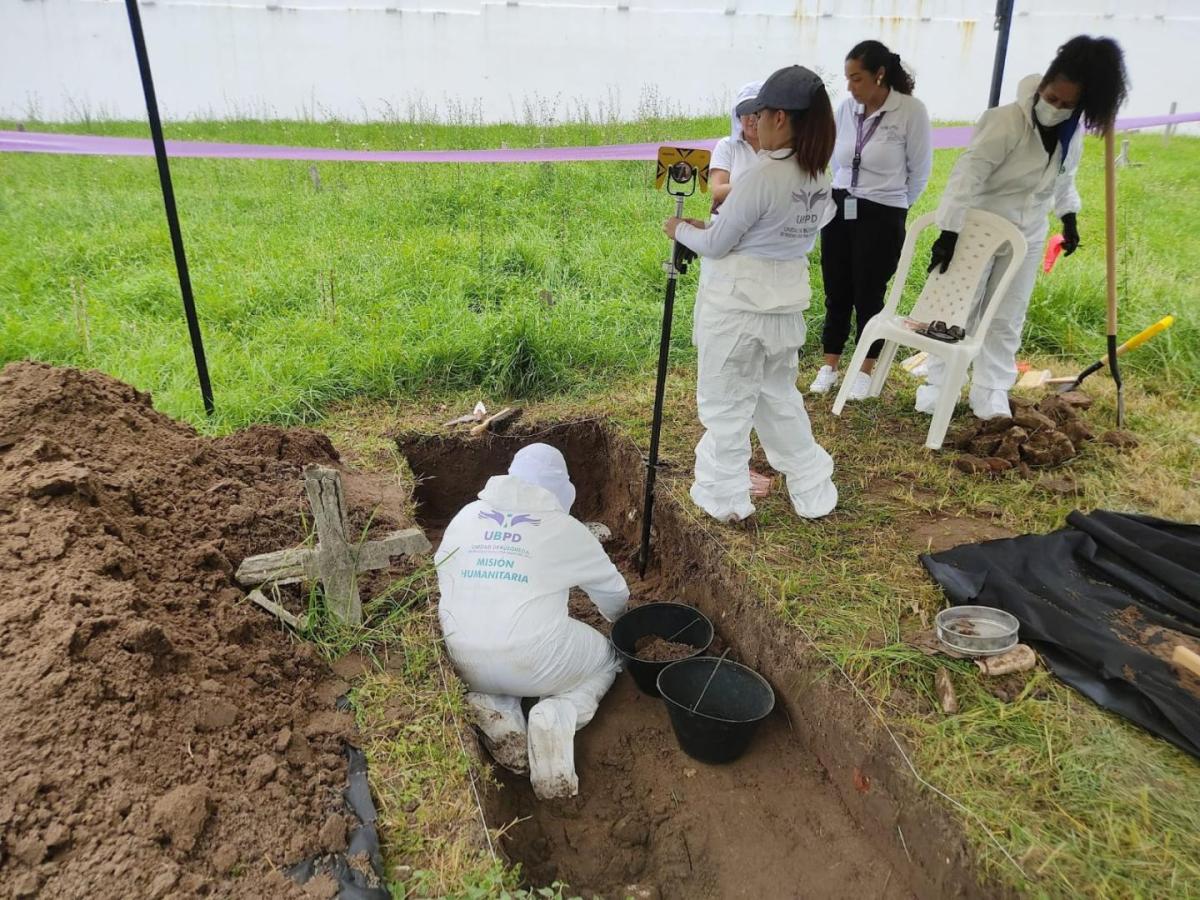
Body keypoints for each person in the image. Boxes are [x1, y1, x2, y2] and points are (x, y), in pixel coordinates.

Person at [918, 35, 1128, 420]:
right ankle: (939, 384)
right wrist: (948, 231)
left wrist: (1069, 217)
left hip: (1027, 234)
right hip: (978, 228)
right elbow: (968, 175)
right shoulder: (1004, 121)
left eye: (1066, 104)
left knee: (1007, 314)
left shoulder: (1070, 132)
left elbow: (1064, 178)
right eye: (1051, 98)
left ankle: (991, 390)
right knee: (957, 309)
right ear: (1042, 86)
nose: (1056, 108)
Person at [666, 65, 839, 524]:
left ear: (779, 117)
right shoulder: (819, 176)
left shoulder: (762, 176)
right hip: (785, 308)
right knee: (778, 398)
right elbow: (788, 231)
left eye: (759, 114)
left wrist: (681, 229)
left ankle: (724, 498)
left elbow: (719, 243)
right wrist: (726, 231)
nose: (753, 123)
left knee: (726, 405)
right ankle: (813, 489)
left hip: (738, 309)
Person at [435, 443, 629, 800]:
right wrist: (621, 628)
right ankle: (557, 715)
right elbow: (614, 594)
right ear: (559, 491)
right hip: (534, 657)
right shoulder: (565, 528)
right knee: (608, 659)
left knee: (502, 646)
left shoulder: (464, 517)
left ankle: (497, 708)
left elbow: (444, 579)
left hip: (462, 655)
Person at [810, 40, 933, 400]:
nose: (850, 87)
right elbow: (838, 160)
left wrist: (892, 207)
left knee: (869, 293)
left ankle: (864, 367)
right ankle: (829, 364)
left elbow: (920, 172)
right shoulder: (847, 109)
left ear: (880, 75)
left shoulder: (910, 111)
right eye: (848, 78)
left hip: (883, 212)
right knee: (836, 289)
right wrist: (845, 193)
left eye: (857, 78)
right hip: (840, 206)